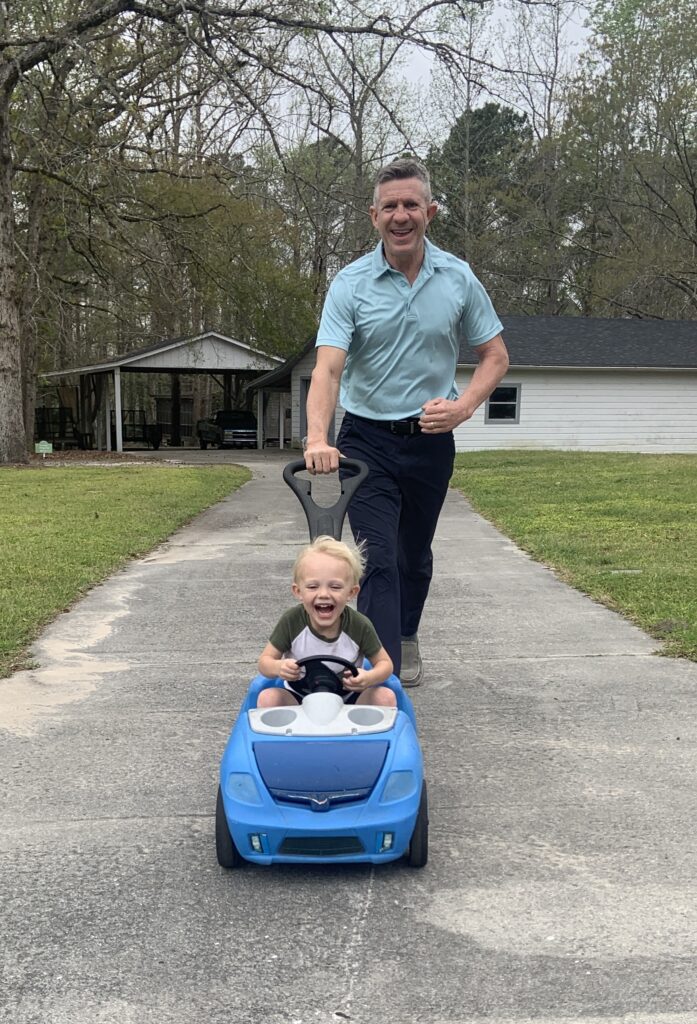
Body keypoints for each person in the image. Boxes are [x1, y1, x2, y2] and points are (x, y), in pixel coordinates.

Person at [303, 157, 509, 687]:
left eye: (411, 205)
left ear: (430, 212)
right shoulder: (350, 284)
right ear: (374, 216)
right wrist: (317, 437)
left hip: (430, 442)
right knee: (377, 558)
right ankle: (381, 673)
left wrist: (463, 407)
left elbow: (495, 356)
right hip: (365, 440)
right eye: (390, 206)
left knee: (412, 557)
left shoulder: (458, 278)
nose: (401, 216)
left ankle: (406, 633)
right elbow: (328, 369)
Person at [257, 535, 396, 708]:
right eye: (313, 586)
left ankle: (374, 727)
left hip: (349, 700)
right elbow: (264, 662)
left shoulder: (359, 625)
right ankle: (280, 727)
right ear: (298, 591)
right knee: (268, 698)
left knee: (385, 697)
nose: (323, 594)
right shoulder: (291, 621)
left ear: (351, 593)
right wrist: (278, 667)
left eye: (335, 587)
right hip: (299, 699)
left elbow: (385, 664)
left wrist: (368, 677)